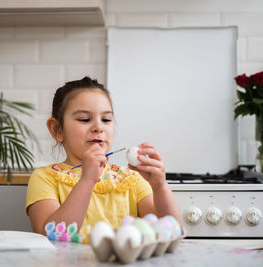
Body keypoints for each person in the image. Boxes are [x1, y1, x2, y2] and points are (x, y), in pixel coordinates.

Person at [26, 77, 181, 235]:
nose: (99, 127)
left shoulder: (131, 180)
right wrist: (87, 180)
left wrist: (160, 186)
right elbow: (50, 234)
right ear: (57, 129)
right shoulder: (45, 178)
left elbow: (171, 231)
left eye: (106, 119)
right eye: (84, 119)